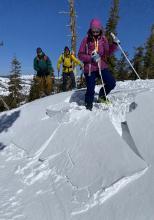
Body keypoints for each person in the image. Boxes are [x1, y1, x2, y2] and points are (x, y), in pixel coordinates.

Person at [78, 18, 118, 110]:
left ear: (100, 30)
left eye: (97, 31)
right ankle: (88, 104)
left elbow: (107, 52)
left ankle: (102, 96)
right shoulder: (86, 40)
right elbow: (80, 55)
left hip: (101, 65)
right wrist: (91, 58)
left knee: (111, 83)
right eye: (93, 31)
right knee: (90, 89)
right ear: (90, 30)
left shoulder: (103, 40)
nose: (95, 33)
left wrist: (115, 45)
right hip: (90, 68)